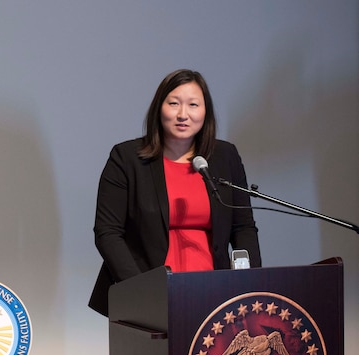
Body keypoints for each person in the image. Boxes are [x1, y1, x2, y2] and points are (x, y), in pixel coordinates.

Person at [89, 69, 261, 316]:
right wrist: (142, 290)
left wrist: (250, 286)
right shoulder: (127, 158)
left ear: (205, 112)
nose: (183, 114)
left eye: (193, 105)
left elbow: (242, 227)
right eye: (174, 104)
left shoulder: (225, 157)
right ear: (159, 108)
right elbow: (108, 232)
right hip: (148, 293)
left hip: (215, 292)